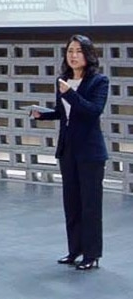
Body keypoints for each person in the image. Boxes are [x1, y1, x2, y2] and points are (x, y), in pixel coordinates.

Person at [31, 34, 109, 271]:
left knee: (90, 205)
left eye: (78, 51)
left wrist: (69, 94)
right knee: (71, 203)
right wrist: (42, 114)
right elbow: (63, 113)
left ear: (88, 54)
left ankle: (92, 254)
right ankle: (75, 250)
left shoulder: (98, 81)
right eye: (69, 51)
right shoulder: (63, 80)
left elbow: (92, 111)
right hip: (68, 150)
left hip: (90, 152)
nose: (73, 56)